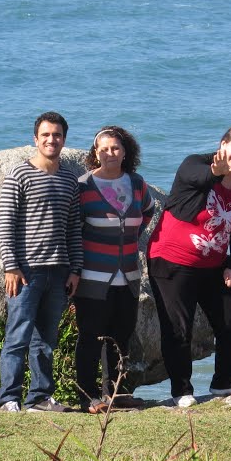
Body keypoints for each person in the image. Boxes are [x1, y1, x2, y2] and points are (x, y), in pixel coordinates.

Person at [147, 124, 231, 408]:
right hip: (172, 260)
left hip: (214, 264)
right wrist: (216, 171)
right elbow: (198, 179)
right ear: (223, 144)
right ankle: (181, 390)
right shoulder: (194, 163)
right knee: (178, 327)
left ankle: (225, 381)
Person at [0, 111, 82, 413]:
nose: (51, 140)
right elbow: (4, 223)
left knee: (46, 340)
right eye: (45, 134)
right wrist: (10, 265)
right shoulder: (19, 175)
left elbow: (74, 227)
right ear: (35, 138)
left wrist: (75, 270)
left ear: (64, 140)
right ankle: (8, 398)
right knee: (17, 336)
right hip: (25, 272)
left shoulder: (70, 179)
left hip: (58, 272)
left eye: (57, 135)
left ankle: (40, 397)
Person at [73, 125, 156, 413]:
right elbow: (74, 228)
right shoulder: (83, 186)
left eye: (115, 148)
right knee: (91, 337)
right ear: (95, 153)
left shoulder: (136, 184)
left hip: (130, 274)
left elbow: (148, 210)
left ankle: (118, 393)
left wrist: (129, 236)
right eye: (104, 149)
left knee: (122, 336)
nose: (110, 153)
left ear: (125, 152)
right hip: (93, 276)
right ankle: (88, 395)